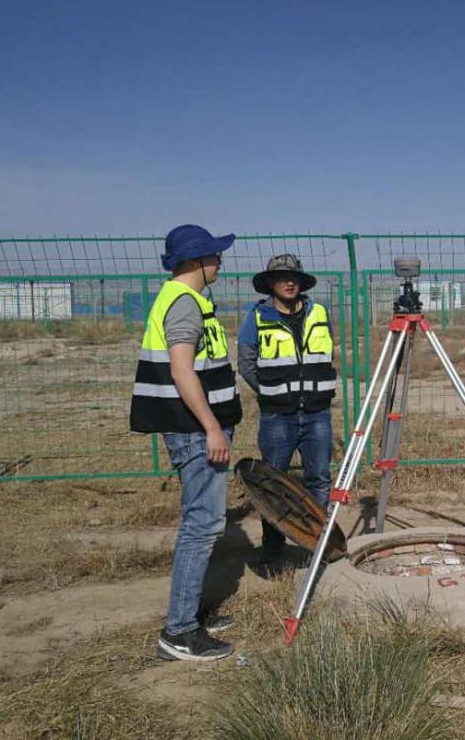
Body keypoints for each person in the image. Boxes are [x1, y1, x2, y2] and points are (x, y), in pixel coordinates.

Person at [130, 224, 242, 662]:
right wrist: (212, 428)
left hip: (196, 428)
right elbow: (182, 371)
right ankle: (179, 631)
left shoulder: (187, 300)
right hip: (195, 431)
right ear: (195, 260)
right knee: (203, 525)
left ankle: (190, 615)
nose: (219, 262)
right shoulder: (183, 303)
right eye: (214, 256)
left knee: (203, 522)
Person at [237, 254, 336, 571]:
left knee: (319, 480)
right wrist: (272, 391)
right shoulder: (257, 317)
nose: (289, 282)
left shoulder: (318, 313)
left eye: (293, 277)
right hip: (277, 417)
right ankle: (273, 548)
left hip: (318, 413)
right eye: (281, 277)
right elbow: (247, 364)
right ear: (270, 283)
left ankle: (316, 544)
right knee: (273, 485)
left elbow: (326, 351)